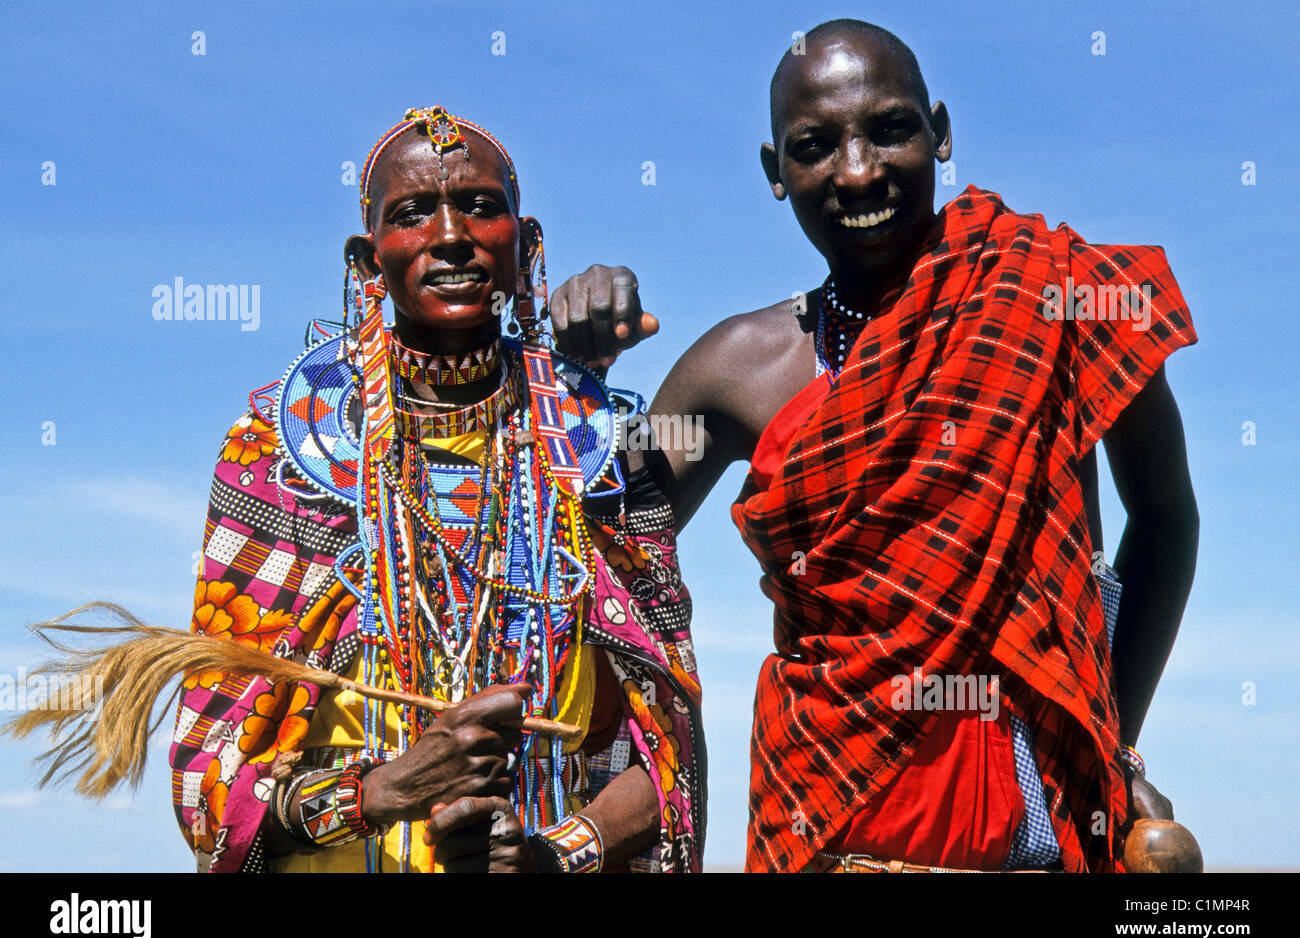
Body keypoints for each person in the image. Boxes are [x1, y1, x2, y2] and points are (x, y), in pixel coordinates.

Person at [554, 20, 1197, 873]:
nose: (857, 171)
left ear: (940, 130)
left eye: (889, 129)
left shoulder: (1052, 294)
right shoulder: (740, 369)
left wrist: (1111, 737)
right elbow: (588, 557)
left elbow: (1164, 517)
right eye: (815, 145)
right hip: (828, 830)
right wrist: (579, 380)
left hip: (1041, 831)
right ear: (774, 173)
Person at [169, 106, 703, 873]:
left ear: (528, 245)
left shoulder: (601, 453)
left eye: (482, 207)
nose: (451, 234)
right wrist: (380, 792)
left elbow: (666, 747)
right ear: (368, 260)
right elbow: (209, 783)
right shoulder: (280, 452)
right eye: (413, 214)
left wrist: (558, 855)